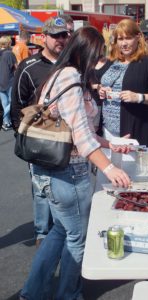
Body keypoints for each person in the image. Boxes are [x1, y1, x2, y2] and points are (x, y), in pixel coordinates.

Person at [19, 26, 130, 300]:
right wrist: (109, 167)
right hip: (67, 172)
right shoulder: (70, 76)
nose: (99, 60)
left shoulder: (58, 74)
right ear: (86, 53)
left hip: (51, 170)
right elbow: (81, 136)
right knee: (77, 238)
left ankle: (32, 293)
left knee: (60, 230)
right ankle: (68, 295)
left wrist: (109, 143)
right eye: (97, 55)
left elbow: (76, 129)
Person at [11, 17, 70, 247]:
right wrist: (23, 137)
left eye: (64, 35)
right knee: (40, 187)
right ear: (43, 37)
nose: (60, 40)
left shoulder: (71, 65)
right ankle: (42, 232)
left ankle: (60, 229)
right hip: (37, 139)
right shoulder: (28, 67)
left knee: (63, 185)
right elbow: (17, 106)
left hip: (64, 138)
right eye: (55, 35)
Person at [98, 19, 148, 148]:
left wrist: (138, 97)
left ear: (138, 37)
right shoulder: (114, 60)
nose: (123, 43)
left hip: (134, 131)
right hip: (107, 132)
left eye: (128, 38)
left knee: (130, 168)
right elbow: (108, 84)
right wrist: (102, 90)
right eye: (120, 39)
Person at [0, 36, 17, 131]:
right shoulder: (10, 53)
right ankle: (4, 120)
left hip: (0, 81)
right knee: (11, 102)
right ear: (8, 43)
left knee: (4, 103)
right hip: (9, 81)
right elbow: (16, 67)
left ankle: (6, 123)